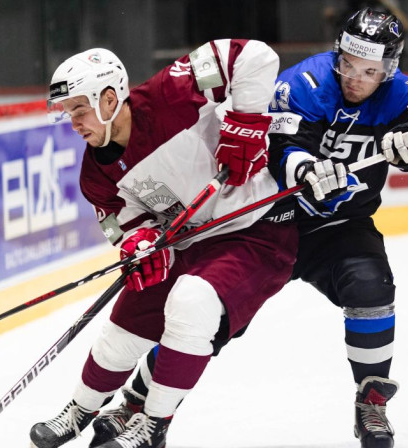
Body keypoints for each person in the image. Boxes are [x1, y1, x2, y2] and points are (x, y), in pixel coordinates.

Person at [86, 8, 408, 448]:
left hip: (340, 227)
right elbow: (281, 144)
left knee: (372, 288)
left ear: (389, 69)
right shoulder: (306, 81)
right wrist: (305, 168)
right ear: (337, 53)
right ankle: (138, 401)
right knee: (209, 317)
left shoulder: (401, 93)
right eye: (347, 64)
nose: (354, 78)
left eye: (370, 71)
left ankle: (372, 402)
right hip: (269, 224)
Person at [29, 40, 302, 448]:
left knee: (191, 303)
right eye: (68, 113)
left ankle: (152, 425)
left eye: (79, 109)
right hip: (186, 241)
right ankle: (81, 409)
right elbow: (126, 224)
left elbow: (254, 56)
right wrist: (139, 243)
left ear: (109, 99)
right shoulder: (94, 174)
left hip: (254, 230)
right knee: (126, 321)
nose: (74, 123)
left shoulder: (170, 93)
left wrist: (244, 122)